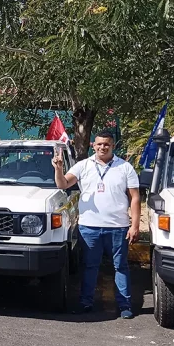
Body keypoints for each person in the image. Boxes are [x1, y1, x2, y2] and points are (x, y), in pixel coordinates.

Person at [53, 130, 140, 319]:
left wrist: (134, 225)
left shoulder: (125, 167)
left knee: (121, 267)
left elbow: (134, 197)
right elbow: (63, 184)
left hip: (118, 227)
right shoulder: (83, 166)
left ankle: (125, 305)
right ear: (93, 145)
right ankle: (86, 302)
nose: (103, 147)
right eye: (99, 144)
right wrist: (58, 169)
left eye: (107, 144)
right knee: (90, 266)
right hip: (89, 227)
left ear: (113, 146)